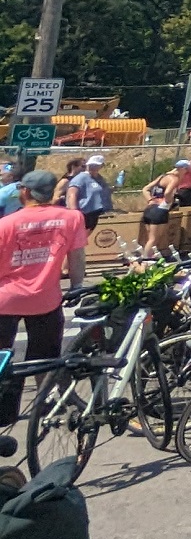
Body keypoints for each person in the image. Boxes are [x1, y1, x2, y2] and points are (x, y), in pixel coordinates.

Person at [0, 170, 86, 453]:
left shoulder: (7, 223)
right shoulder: (71, 218)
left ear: (24, 192)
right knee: (46, 354)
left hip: (6, 298)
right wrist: (77, 287)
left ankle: (5, 407)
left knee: (3, 354)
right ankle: (45, 402)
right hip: (46, 297)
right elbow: (76, 259)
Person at [71, 154, 112, 235]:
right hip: (83, 213)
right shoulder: (80, 178)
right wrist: (74, 212)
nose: (93, 167)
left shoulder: (99, 178)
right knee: (77, 237)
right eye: (91, 165)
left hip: (95, 212)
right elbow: (72, 194)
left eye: (96, 165)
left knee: (85, 237)